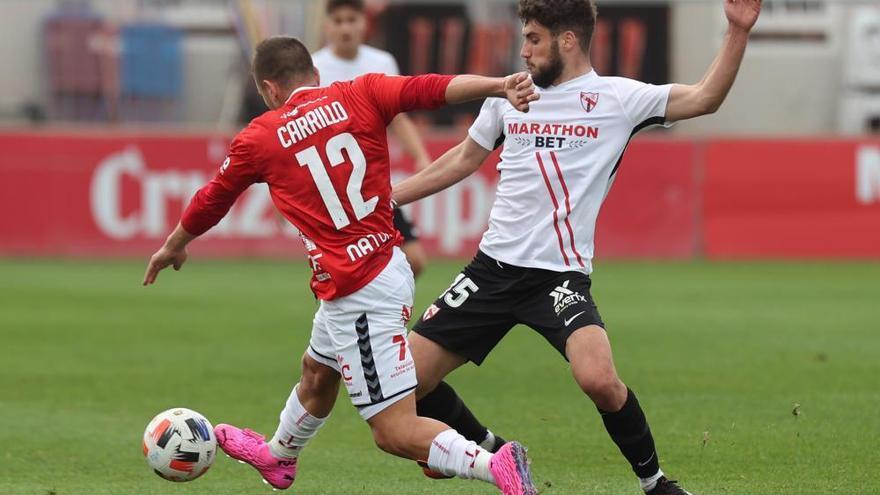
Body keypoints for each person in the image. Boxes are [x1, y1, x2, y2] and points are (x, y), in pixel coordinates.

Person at [142, 36, 541, 494]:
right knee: (317, 372)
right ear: (315, 75)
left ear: (270, 89)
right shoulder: (361, 92)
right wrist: (498, 85)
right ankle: (279, 457)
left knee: (393, 431)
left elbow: (213, 198)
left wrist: (175, 244)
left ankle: (498, 467)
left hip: (360, 290)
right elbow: (430, 87)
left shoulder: (259, 137)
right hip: (377, 265)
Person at [393, 0, 763, 494]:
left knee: (600, 381)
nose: (523, 51)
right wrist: (389, 200)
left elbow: (705, 97)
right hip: (491, 272)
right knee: (407, 385)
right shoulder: (508, 97)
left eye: (533, 39)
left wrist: (737, 30)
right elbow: (461, 159)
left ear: (568, 40)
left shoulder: (617, 99)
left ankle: (655, 484)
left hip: (559, 278)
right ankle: (494, 450)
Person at [313, 0, 431, 277]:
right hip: (333, 188)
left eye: (351, 20)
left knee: (414, 261)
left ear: (364, 23)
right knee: (346, 268)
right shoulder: (315, 67)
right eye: (338, 21)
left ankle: (383, 313)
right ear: (327, 26)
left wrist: (420, 156)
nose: (345, 28)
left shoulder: (381, 62)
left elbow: (398, 118)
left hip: (374, 183)